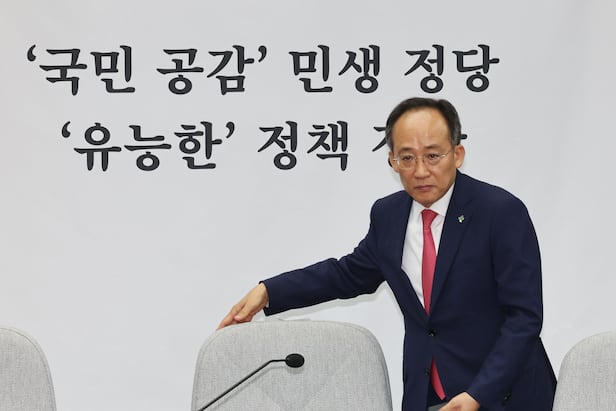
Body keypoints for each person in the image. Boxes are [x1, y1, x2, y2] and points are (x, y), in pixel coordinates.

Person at [218, 97, 556, 411]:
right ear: (392, 160)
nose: (420, 170)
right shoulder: (389, 215)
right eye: (407, 158)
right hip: (428, 396)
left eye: (433, 156)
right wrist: (269, 291)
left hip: (504, 397)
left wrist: (478, 394)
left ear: (457, 154)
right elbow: (347, 274)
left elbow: (524, 317)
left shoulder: (500, 212)